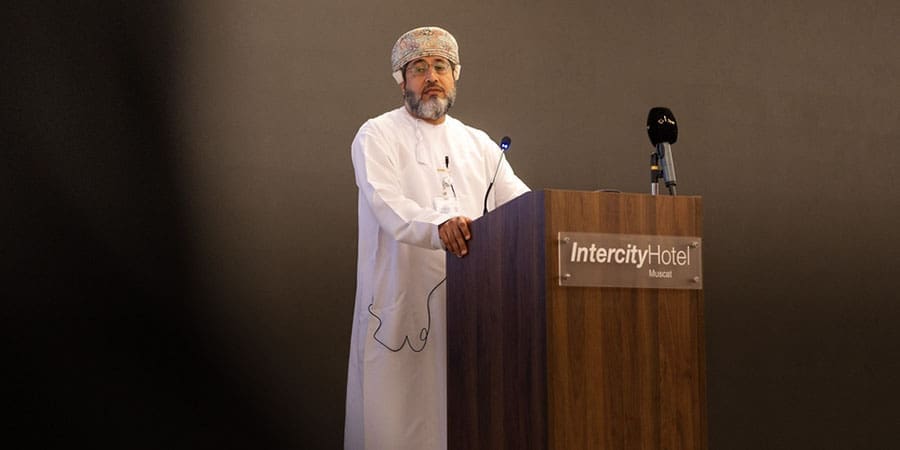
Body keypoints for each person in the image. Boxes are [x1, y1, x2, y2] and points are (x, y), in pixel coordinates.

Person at [345, 26, 530, 450]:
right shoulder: (376, 134)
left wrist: (557, 217)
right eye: (418, 68)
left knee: (466, 416)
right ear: (402, 80)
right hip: (402, 304)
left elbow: (521, 206)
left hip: (471, 307)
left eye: (440, 66)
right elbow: (387, 204)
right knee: (396, 420)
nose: (431, 76)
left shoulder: (479, 144)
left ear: (455, 74)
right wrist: (439, 225)